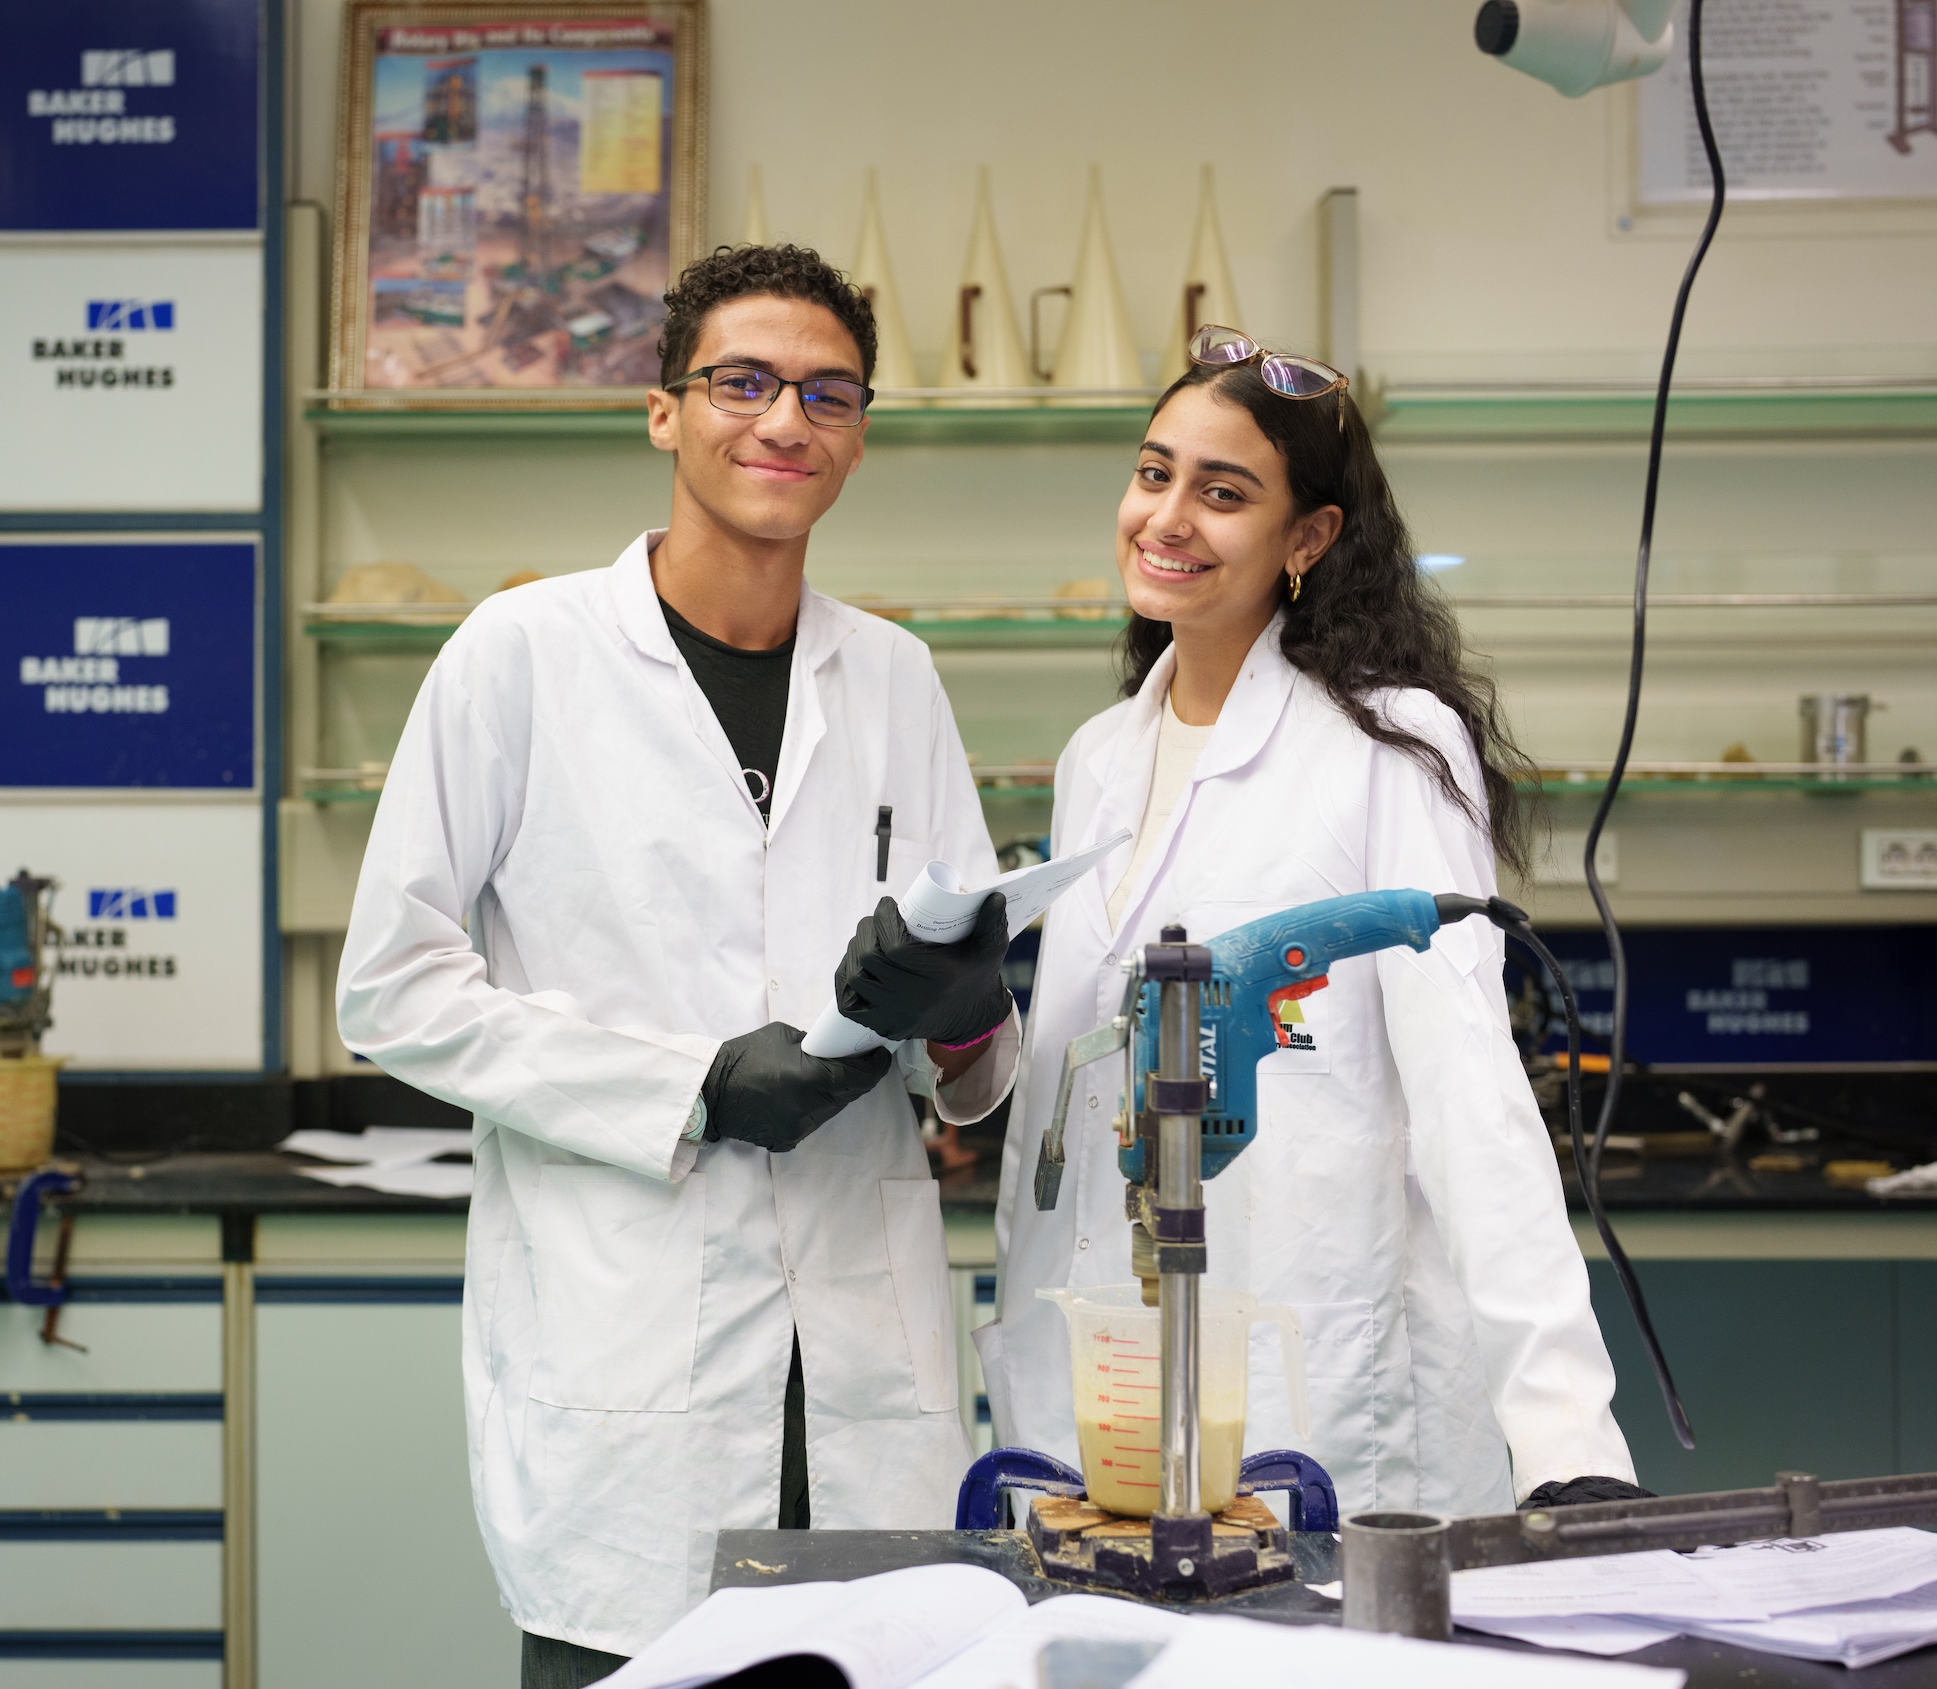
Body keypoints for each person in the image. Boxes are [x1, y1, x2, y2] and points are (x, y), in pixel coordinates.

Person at [336, 244, 1023, 1687]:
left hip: (861, 1371)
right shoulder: (519, 654)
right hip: (627, 1350)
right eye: (744, 381)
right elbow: (391, 986)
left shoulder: (893, 675)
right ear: (665, 411)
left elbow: (970, 1061)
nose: (786, 420)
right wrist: (693, 1082)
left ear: (859, 434)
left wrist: (969, 1021)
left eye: (828, 392)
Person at [979, 327, 1643, 1520]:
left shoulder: (1386, 746)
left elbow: (1468, 1093)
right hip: (1102, 1396)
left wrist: (1564, 1434)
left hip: (1319, 1390)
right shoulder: (1097, 760)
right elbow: (1066, 1098)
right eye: (1152, 473)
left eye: (1222, 493)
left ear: (1308, 538)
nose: (1168, 517)